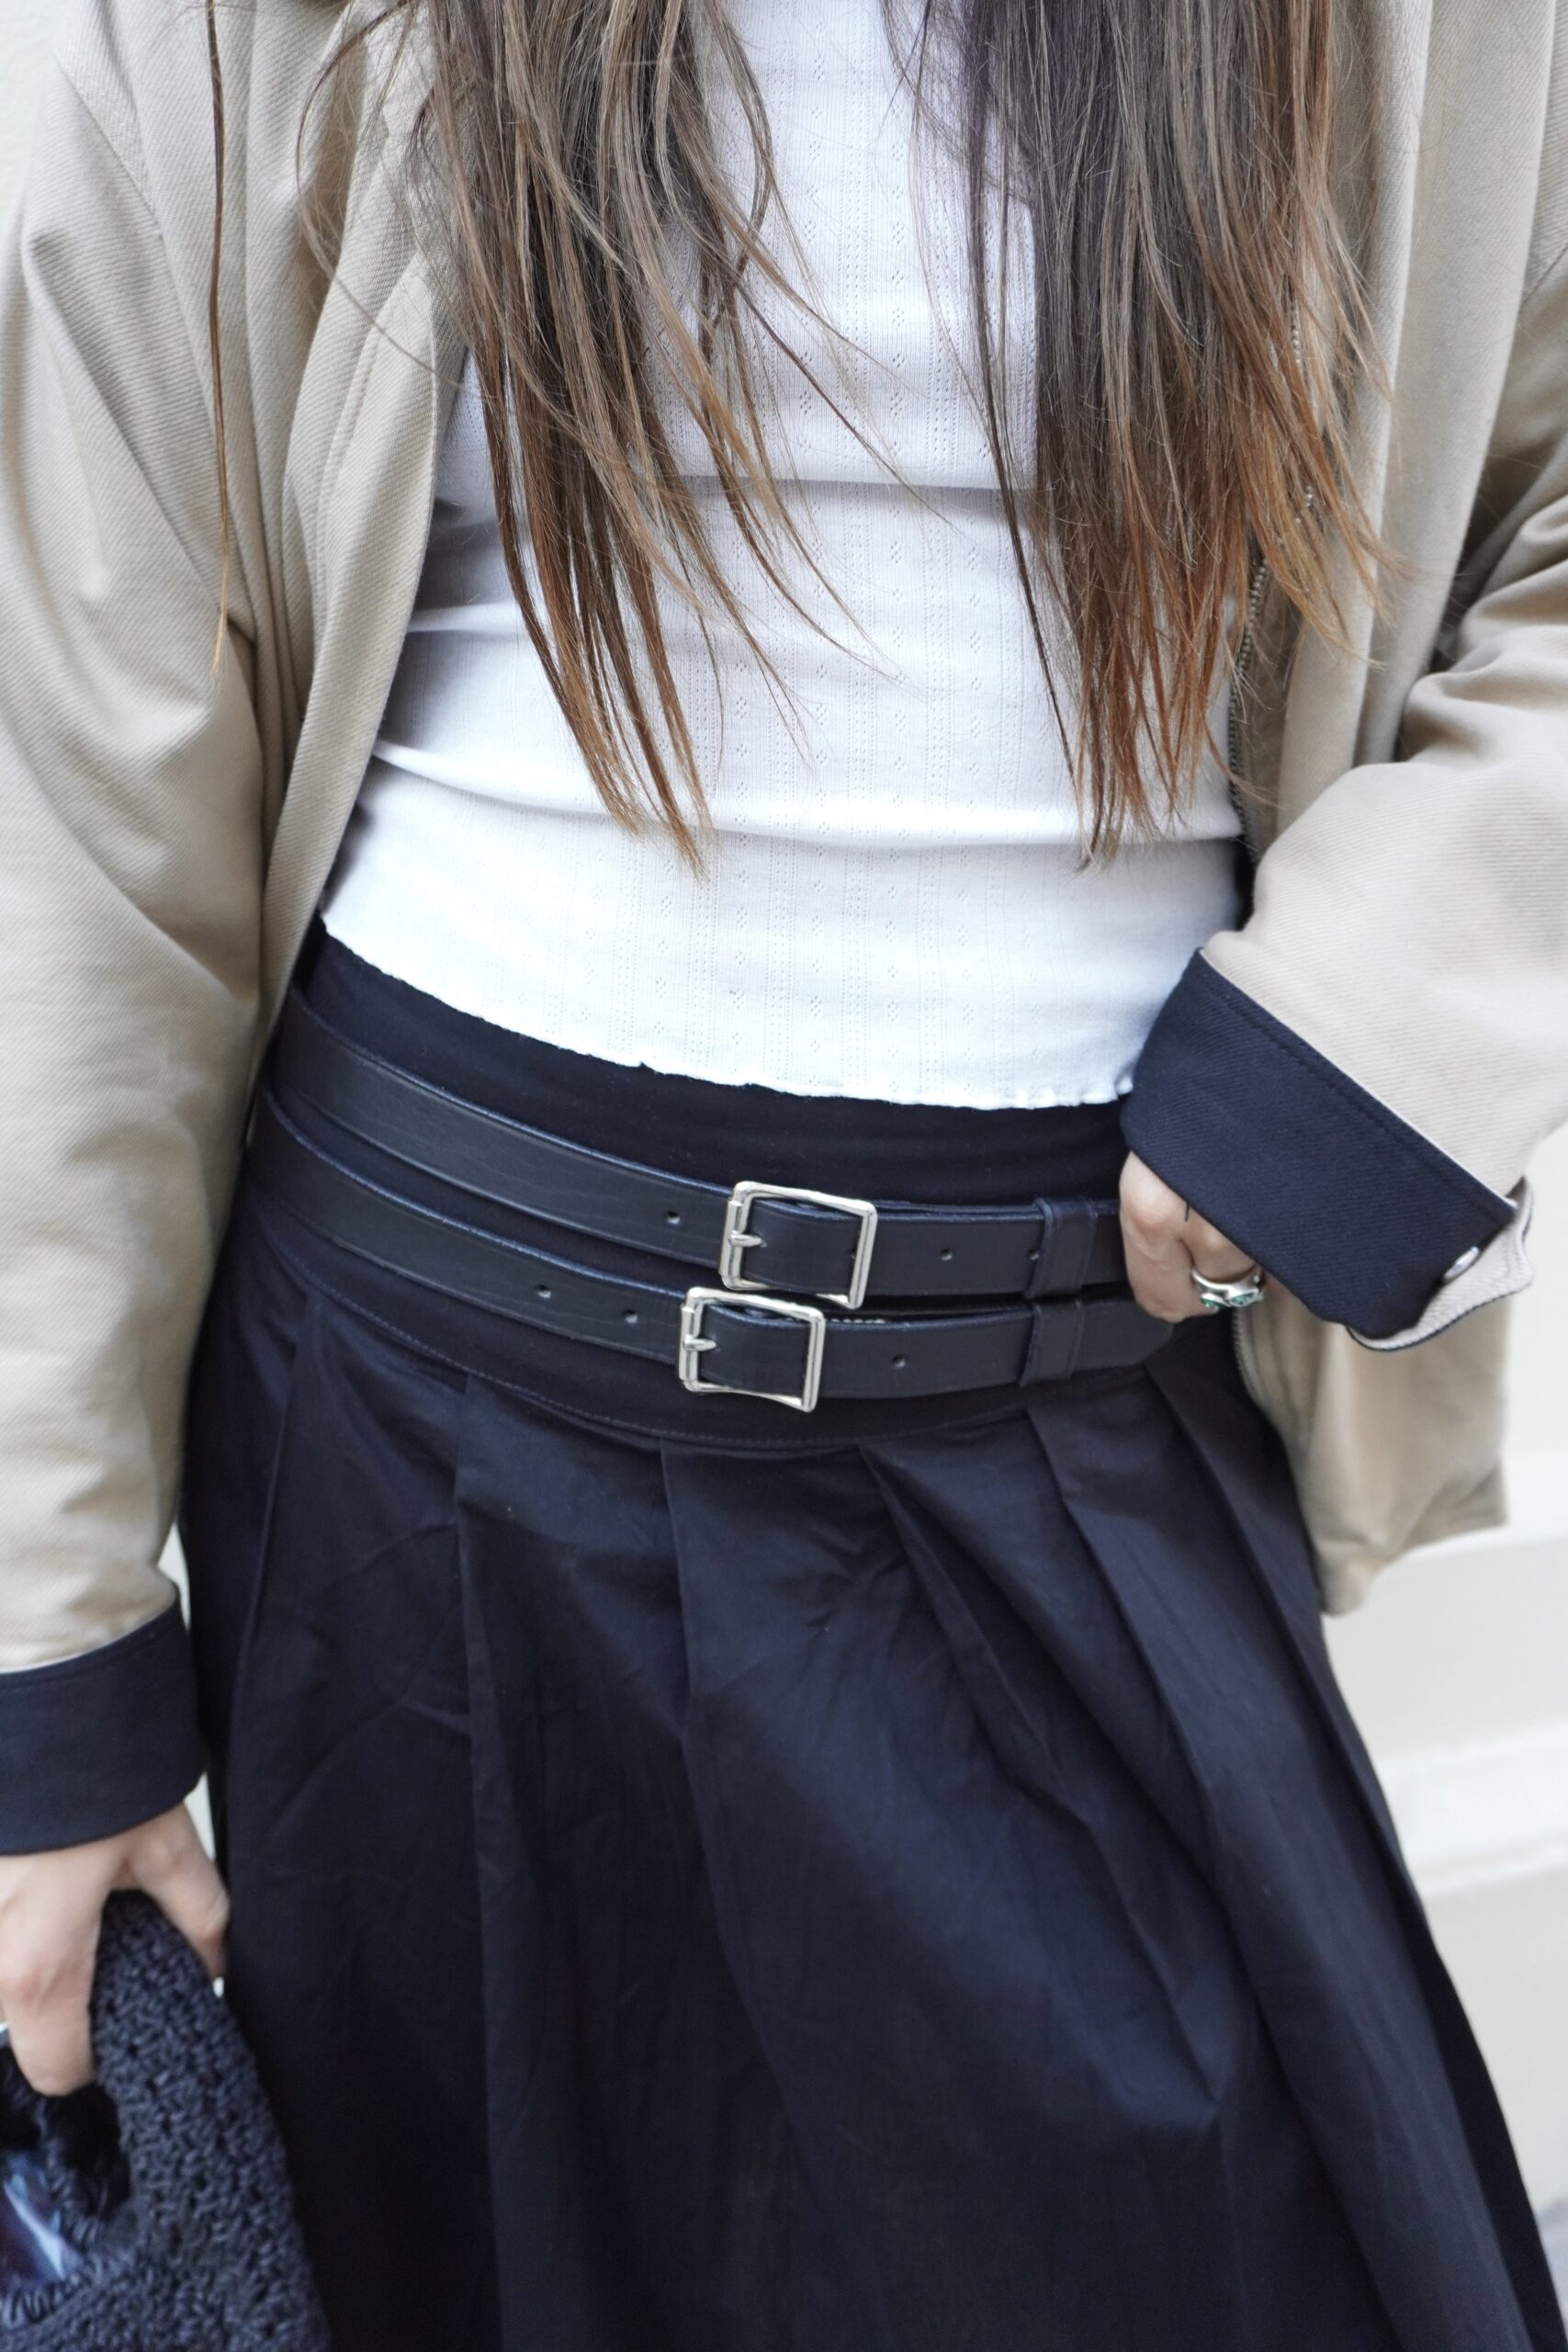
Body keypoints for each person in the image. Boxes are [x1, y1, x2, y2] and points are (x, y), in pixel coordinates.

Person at [0, 0, 1564, 2344]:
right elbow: (80, 771)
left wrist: (1370, 1016)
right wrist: (47, 1659)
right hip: (406, 1471)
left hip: (1065, 1422)